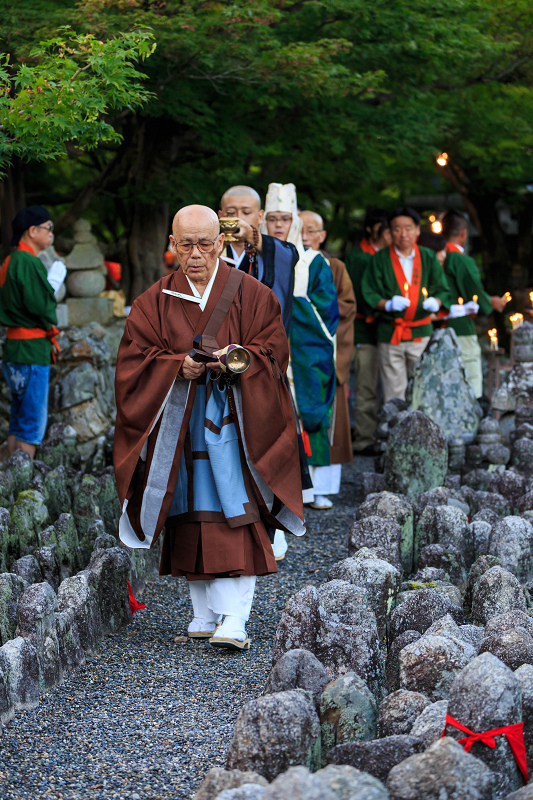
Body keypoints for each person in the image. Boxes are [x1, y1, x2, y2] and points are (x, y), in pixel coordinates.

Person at [114, 205, 305, 650]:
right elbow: (131, 362)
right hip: (178, 429)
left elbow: (275, 349)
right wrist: (172, 367)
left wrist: (240, 362)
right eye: (186, 244)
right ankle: (202, 613)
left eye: (204, 243)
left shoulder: (253, 294)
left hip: (235, 425)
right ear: (172, 245)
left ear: (221, 241)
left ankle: (235, 618)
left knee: (233, 512)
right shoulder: (153, 301)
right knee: (187, 513)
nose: (195, 253)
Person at [260, 184, 339, 510]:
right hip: (268, 351)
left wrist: (294, 308)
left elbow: (328, 310)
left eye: (285, 218)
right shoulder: (256, 259)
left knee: (310, 412)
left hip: (306, 352)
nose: (279, 225)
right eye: (273, 218)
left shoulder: (312, 261)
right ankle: (279, 485)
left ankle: (316, 486)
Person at [362, 206, 451, 403]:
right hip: (390, 334)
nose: (403, 234)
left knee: (425, 388)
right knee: (394, 394)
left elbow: (442, 289)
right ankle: (397, 432)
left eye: (408, 228)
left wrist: (435, 302)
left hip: (421, 333)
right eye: (397, 229)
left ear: (418, 230)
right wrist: (387, 304)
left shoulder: (428, 257)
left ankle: (426, 433)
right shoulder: (379, 259)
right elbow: (369, 291)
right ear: (389, 231)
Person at [0, 206, 66, 459]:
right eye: (48, 228)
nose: (51, 234)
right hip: (31, 351)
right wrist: (52, 285)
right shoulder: (28, 262)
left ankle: (11, 481)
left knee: (17, 419)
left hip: (15, 349)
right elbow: (41, 307)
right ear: (33, 230)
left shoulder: (9, 260)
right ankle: (24, 485)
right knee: (30, 424)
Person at [299, 209, 355, 500]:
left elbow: (345, 309)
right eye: (301, 229)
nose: (305, 236)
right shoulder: (288, 262)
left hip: (323, 353)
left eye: (312, 230)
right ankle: (299, 490)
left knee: (327, 421)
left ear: (322, 235)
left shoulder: (334, 267)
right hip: (296, 356)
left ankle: (322, 490)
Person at [441, 210, 506, 398]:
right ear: (463, 233)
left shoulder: (431, 257)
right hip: (459, 326)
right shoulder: (460, 259)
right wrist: (490, 303)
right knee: (470, 379)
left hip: (434, 324)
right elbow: (474, 293)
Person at [218, 185, 296, 334]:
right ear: (221, 216)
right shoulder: (213, 250)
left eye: (246, 212)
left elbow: (288, 256)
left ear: (260, 216)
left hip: (261, 341)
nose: (239, 218)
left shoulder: (274, 250)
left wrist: (249, 234)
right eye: (231, 212)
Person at [346, 209, 391, 455]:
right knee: (365, 386)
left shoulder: (377, 256)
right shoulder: (362, 257)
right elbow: (362, 297)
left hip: (376, 331)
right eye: (389, 231)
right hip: (363, 330)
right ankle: (363, 437)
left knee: (371, 386)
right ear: (375, 231)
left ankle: (368, 433)